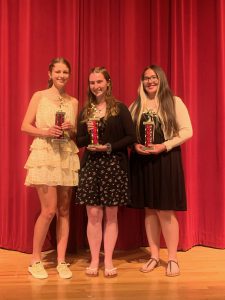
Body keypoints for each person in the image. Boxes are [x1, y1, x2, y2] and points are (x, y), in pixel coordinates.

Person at [129, 65, 193, 277]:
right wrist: (135, 146)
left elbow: (187, 131)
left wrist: (164, 145)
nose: (150, 81)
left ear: (161, 79)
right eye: (146, 78)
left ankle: (172, 258)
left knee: (165, 210)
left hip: (166, 159)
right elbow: (129, 134)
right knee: (149, 210)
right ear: (142, 81)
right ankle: (154, 256)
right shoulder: (136, 105)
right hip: (143, 161)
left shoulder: (174, 102)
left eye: (154, 77)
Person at [21, 57, 80, 279]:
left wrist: (70, 128)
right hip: (44, 154)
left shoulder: (73, 102)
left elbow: (75, 134)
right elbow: (25, 126)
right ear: (49, 73)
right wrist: (46, 131)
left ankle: (61, 260)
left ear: (69, 75)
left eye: (65, 72)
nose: (61, 76)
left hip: (65, 154)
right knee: (49, 210)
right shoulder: (39, 96)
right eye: (57, 71)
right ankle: (35, 260)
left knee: (64, 211)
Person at [75, 66, 136, 278]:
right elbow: (80, 140)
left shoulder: (120, 108)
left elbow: (131, 137)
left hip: (114, 166)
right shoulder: (85, 111)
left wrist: (108, 147)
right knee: (93, 214)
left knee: (111, 215)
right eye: (92, 83)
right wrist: (78, 137)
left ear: (108, 82)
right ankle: (94, 259)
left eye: (99, 82)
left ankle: (108, 260)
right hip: (91, 165)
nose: (96, 86)